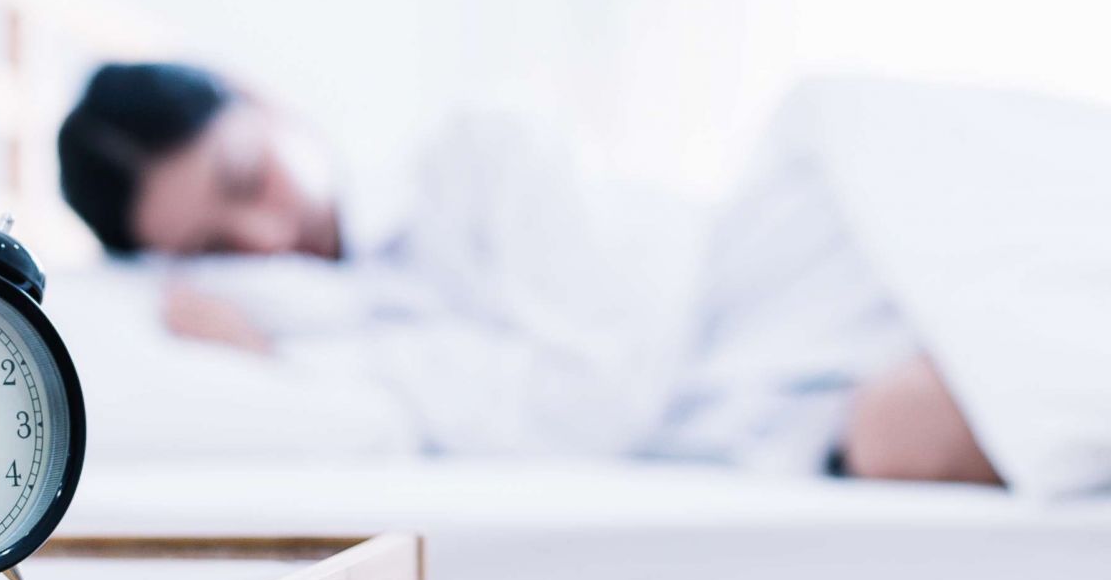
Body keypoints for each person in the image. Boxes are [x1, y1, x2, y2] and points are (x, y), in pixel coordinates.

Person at [56, 62, 999, 486]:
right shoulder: (293, 330)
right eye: (218, 243)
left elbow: (598, 398)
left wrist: (297, 362)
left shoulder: (480, 151)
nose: (265, 232)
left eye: (243, 176)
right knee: (903, 429)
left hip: (808, 272)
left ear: (263, 104)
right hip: (792, 403)